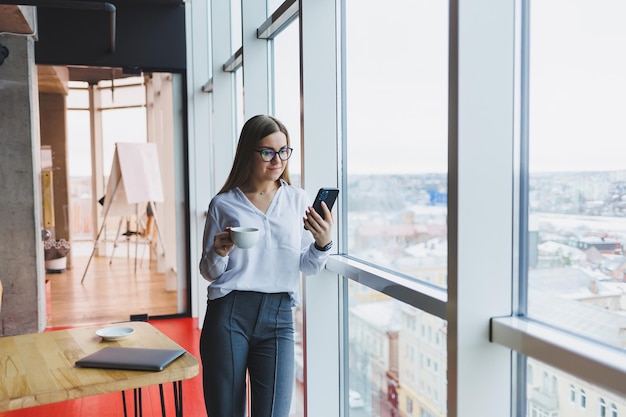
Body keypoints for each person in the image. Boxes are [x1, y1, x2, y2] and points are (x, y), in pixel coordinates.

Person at [199, 114, 335, 417]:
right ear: (249, 152)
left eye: (284, 151)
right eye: (268, 152)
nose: (278, 160)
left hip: (279, 318)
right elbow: (209, 272)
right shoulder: (223, 204)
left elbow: (308, 266)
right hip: (228, 314)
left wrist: (323, 243)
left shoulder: (298, 201)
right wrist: (219, 252)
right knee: (225, 412)